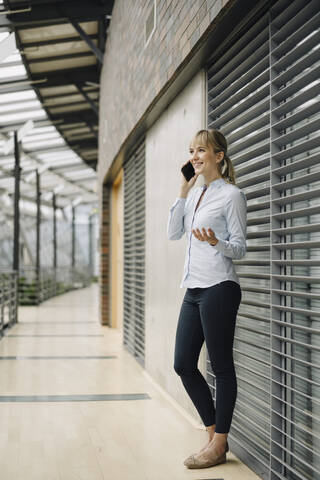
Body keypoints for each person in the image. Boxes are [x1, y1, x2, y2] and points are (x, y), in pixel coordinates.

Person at [167, 128, 247, 469]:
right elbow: (173, 232)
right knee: (183, 364)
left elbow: (240, 248)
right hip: (194, 289)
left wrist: (217, 242)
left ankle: (218, 444)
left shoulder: (232, 196)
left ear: (219, 156)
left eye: (202, 150)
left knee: (221, 366)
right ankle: (214, 436)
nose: (195, 156)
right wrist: (183, 191)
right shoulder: (196, 195)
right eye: (192, 151)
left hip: (219, 288)